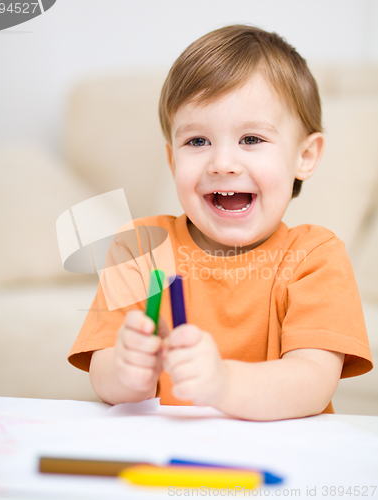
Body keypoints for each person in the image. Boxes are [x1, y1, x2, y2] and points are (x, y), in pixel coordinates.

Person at [68, 25, 373, 421]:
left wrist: (223, 383)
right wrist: (126, 370)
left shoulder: (315, 257)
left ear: (305, 156)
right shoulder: (139, 246)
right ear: (172, 159)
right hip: (171, 462)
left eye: (251, 139)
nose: (222, 164)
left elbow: (313, 381)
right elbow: (103, 373)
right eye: (197, 141)